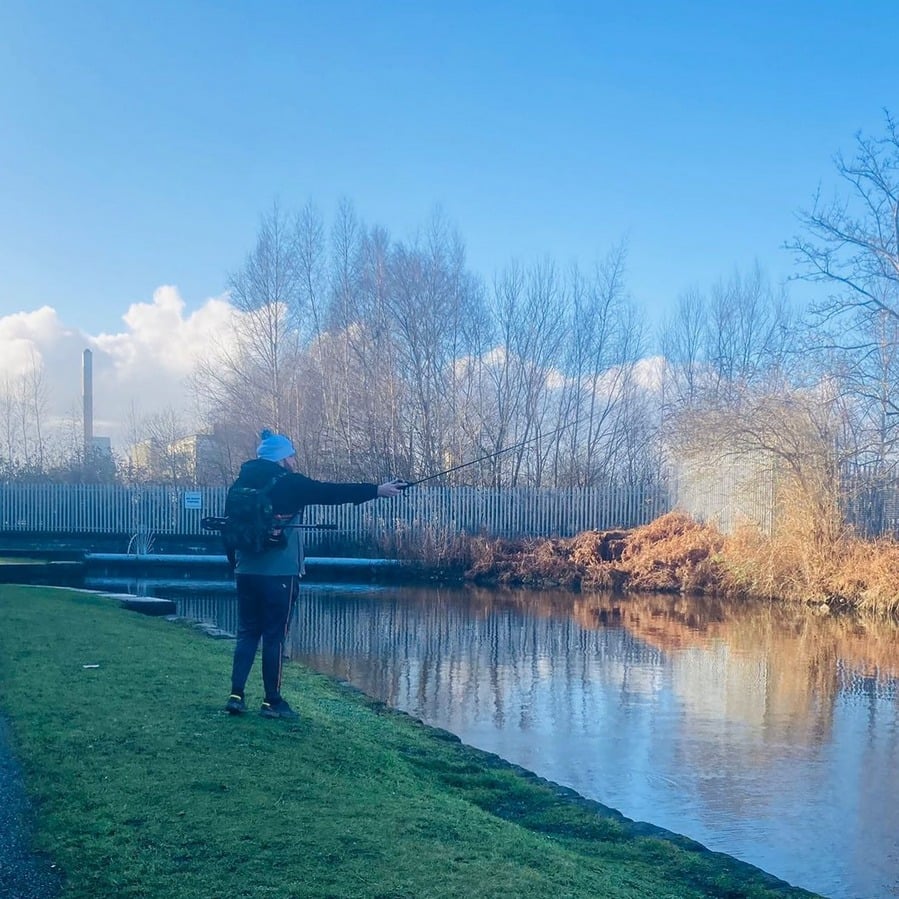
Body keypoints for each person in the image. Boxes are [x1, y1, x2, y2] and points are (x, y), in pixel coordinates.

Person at [225, 429, 406, 719]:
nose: (294, 459)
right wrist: (376, 490)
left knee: (247, 633)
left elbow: (230, 531)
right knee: (274, 637)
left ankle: (236, 696)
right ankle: (272, 702)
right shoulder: (290, 484)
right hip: (280, 574)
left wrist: (233, 564)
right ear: (282, 458)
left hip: (245, 570)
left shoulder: (240, 484)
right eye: (291, 454)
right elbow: (332, 492)